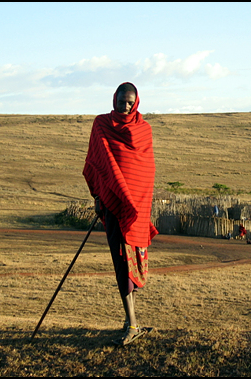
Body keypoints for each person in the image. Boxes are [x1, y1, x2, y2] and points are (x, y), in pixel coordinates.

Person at [83, 82, 158, 346]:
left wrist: (137, 203)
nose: (124, 106)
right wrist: (98, 197)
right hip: (114, 207)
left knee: (130, 265)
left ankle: (132, 322)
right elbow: (98, 163)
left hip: (135, 210)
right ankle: (132, 322)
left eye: (129, 102)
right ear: (114, 98)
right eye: (121, 100)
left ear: (136, 103)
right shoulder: (101, 125)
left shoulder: (143, 130)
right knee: (121, 266)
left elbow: (146, 171)